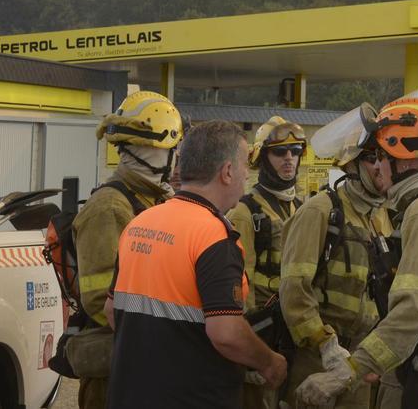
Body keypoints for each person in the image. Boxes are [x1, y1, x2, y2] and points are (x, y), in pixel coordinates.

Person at [294, 97, 418, 408]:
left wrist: (352, 369)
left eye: (382, 156)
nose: (378, 167)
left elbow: (413, 309)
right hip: (417, 365)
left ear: (402, 160)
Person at [105, 120, 287, 408]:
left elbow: (112, 312)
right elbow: (226, 334)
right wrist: (269, 362)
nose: (246, 176)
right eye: (244, 167)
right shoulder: (214, 236)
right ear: (227, 172)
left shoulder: (139, 223)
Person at [70, 90, 182, 409]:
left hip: (148, 363)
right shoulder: (109, 208)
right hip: (116, 376)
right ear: (149, 150)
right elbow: (98, 299)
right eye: (170, 149)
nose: (174, 158)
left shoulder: (155, 202)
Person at [279, 103, 393, 408]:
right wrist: (326, 345)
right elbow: (294, 290)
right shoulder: (321, 211)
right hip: (316, 362)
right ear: (352, 164)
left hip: (357, 364)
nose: (383, 168)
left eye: (386, 158)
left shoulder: (378, 218)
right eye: (373, 159)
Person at [228, 117, 307, 408]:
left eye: (295, 151)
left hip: (293, 327)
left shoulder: (302, 208)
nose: (289, 158)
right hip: (262, 329)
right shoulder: (245, 212)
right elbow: (239, 284)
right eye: (279, 152)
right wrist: (250, 353)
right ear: (262, 156)